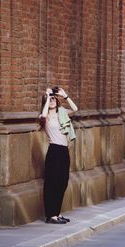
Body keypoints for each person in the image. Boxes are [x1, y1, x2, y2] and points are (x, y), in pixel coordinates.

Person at [39, 87, 78, 224]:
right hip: (54, 151)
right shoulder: (45, 116)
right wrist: (47, 96)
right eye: (49, 99)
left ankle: (57, 212)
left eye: (54, 99)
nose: (52, 101)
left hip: (64, 151)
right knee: (52, 183)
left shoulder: (62, 112)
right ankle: (51, 215)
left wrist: (65, 96)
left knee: (63, 182)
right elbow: (43, 115)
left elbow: (75, 109)